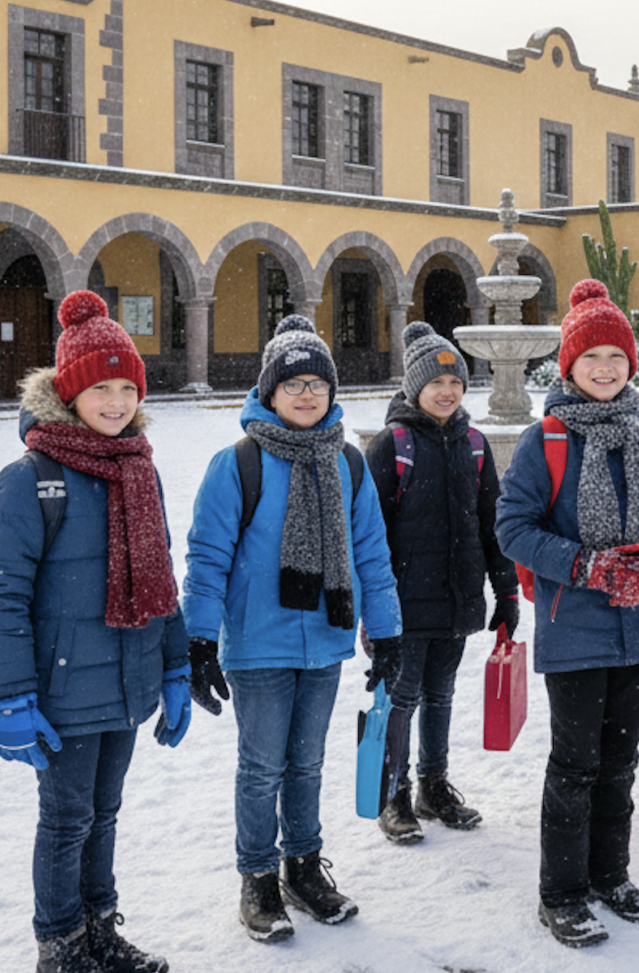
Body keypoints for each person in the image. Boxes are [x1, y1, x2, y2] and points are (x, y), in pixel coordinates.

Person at [0, 291, 188, 973]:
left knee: (104, 813)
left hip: (127, 680)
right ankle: (60, 945)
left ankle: (100, 929)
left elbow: (163, 578)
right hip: (61, 690)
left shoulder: (139, 468)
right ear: (70, 392)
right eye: (103, 386)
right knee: (66, 821)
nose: (119, 400)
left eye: (128, 386)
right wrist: (12, 697)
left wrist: (175, 667)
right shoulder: (31, 479)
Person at [182, 315, 402, 944]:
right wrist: (199, 640)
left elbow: (372, 555)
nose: (307, 395)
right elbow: (207, 558)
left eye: (318, 384)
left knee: (306, 764)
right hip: (258, 643)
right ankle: (257, 878)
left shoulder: (348, 465)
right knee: (261, 767)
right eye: (294, 384)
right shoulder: (238, 464)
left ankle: (303, 866)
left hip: (326, 640)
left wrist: (384, 633)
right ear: (270, 393)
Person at [496, 280, 639, 948]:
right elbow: (513, 528)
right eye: (592, 357)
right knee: (576, 765)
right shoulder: (545, 439)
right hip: (574, 628)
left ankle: (612, 875)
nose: (605, 368)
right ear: (569, 366)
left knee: (619, 765)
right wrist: (587, 564)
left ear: (631, 364)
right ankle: (563, 891)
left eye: (616, 355)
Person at [363, 321, 519, 843]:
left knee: (441, 695)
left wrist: (506, 590)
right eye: (436, 384)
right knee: (401, 697)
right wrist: (373, 608)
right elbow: (370, 534)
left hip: (457, 599)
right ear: (415, 388)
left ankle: (434, 784)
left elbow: (491, 523)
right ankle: (393, 793)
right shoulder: (392, 445)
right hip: (404, 604)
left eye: (455, 383)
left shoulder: (473, 444)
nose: (447, 392)